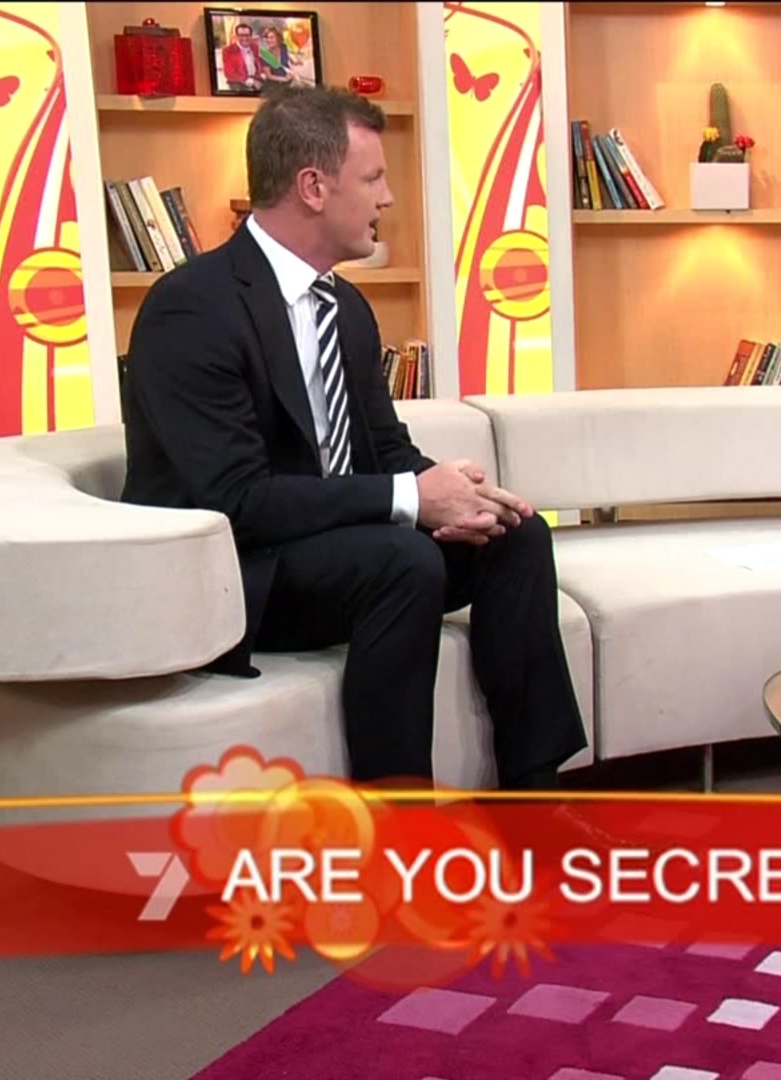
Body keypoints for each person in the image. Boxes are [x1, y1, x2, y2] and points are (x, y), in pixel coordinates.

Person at [120, 87, 586, 790]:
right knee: (403, 561)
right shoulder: (192, 309)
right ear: (313, 187)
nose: (388, 198)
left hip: (336, 548)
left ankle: (536, 797)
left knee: (514, 535)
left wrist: (454, 496)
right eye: (373, 178)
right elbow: (237, 500)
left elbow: (383, 451)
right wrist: (409, 498)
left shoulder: (345, 307)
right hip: (241, 571)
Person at [220, 22, 264, 93]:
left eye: (247, 35)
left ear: (251, 36)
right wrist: (251, 81)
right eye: (241, 35)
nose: (244, 38)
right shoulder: (229, 50)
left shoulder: (254, 46)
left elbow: (258, 62)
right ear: (237, 36)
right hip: (238, 82)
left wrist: (262, 73)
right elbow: (229, 73)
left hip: (255, 78)